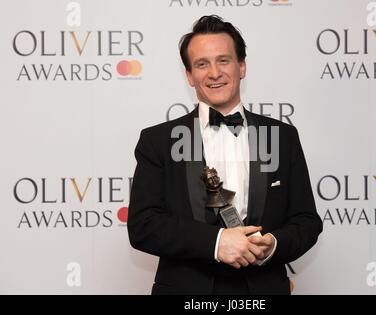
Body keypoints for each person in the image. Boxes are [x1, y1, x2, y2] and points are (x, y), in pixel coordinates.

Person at [127, 15, 322, 295]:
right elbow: (143, 225)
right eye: (202, 64)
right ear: (189, 75)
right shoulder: (158, 140)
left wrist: (273, 244)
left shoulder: (282, 137)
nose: (214, 73)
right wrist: (217, 242)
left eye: (224, 60)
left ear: (242, 67)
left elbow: (306, 221)